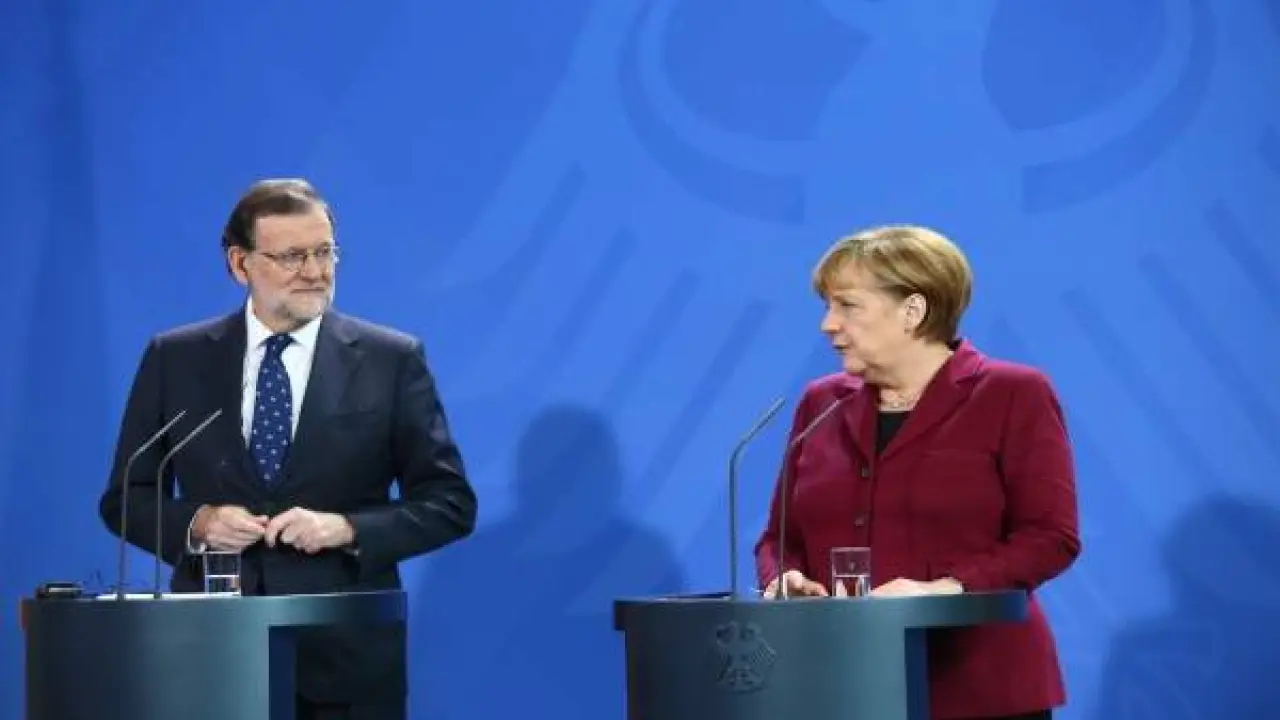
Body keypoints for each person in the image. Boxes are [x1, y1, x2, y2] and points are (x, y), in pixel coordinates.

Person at [99, 178, 478, 720]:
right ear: (240, 264)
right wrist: (200, 522)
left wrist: (346, 529)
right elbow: (127, 499)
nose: (315, 271)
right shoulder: (175, 359)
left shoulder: (390, 360)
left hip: (344, 666)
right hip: (210, 657)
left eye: (325, 252)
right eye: (292, 256)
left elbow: (450, 503)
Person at [753, 225, 1080, 720]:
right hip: (840, 686)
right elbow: (779, 538)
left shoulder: (1013, 393)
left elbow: (1050, 537)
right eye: (827, 306)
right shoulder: (821, 402)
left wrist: (945, 588)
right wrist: (784, 578)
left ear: (913, 311)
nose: (828, 325)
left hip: (977, 689)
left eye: (847, 306)